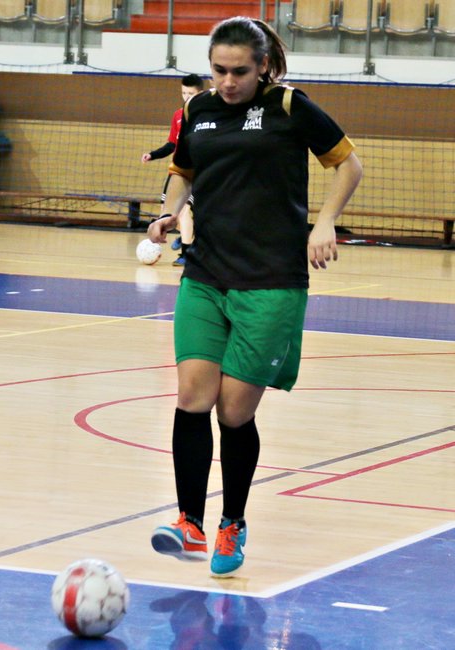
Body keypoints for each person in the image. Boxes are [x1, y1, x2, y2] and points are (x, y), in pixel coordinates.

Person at [148, 16, 362, 578]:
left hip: (270, 282)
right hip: (205, 274)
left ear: (262, 65)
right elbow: (182, 171)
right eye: (219, 70)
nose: (227, 81)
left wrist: (325, 222)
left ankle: (232, 522)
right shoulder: (200, 110)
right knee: (192, 398)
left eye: (239, 71)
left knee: (233, 411)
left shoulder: (290, 107)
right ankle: (189, 522)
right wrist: (170, 212)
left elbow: (349, 164)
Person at [141, 73, 204, 266]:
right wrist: (153, 154)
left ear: (200, 93)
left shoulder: (206, 115)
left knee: (185, 214)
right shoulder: (179, 115)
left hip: (199, 173)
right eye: (184, 93)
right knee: (167, 214)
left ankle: (186, 252)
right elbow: (172, 144)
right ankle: (187, 238)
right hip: (178, 173)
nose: (187, 97)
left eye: (191, 94)